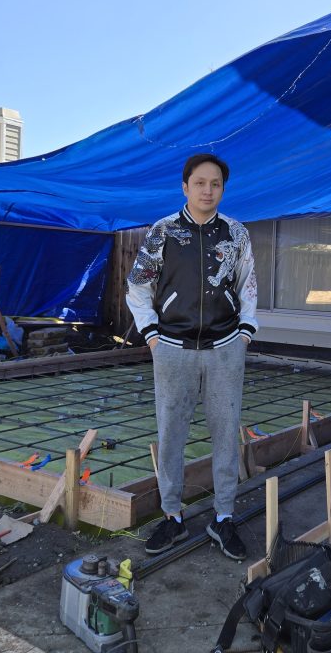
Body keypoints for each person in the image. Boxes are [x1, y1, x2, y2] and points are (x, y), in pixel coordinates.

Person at [125, 153, 257, 560]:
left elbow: (248, 285)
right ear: (185, 187)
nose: (207, 190)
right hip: (173, 349)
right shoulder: (162, 232)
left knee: (226, 434)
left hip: (224, 350)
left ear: (223, 189)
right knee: (171, 435)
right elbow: (138, 287)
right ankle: (172, 516)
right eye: (200, 183)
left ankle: (224, 517)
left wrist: (244, 333)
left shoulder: (236, 233)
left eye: (215, 184)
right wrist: (152, 336)